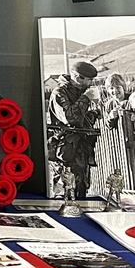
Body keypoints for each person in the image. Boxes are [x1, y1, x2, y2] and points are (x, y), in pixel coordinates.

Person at [47, 60, 101, 199]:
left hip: (81, 152)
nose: (90, 84)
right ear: (77, 77)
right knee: (65, 192)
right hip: (66, 153)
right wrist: (86, 99)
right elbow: (70, 118)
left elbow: (80, 121)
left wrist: (93, 113)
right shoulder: (59, 93)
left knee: (81, 191)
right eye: (89, 80)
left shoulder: (79, 93)